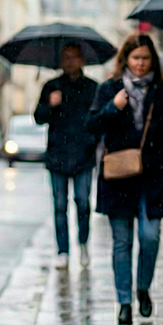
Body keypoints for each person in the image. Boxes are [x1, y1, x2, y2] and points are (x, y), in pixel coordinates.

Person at [87, 33, 163, 325]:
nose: (141, 64)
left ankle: (142, 287)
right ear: (125, 60)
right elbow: (91, 125)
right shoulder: (110, 88)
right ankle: (124, 302)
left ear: (151, 59)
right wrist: (112, 107)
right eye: (135, 58)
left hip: (154, 176)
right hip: (118, 175)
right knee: (122, 242)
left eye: (145, 58)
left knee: (150, 236)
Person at [34, 43, 99, 269]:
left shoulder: (92, 88)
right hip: (57, 156)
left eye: (74, 57)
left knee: (82, 203)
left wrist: (93, 142)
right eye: (66, 57)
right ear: (61, 61)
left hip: (84, 155)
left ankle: (83, 243)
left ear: (82, 60)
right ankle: (62, 250)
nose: (70, 61)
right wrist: (50, 105)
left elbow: (98, 120)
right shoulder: (52, 86)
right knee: (59, 206)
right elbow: (38, 117)